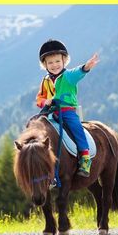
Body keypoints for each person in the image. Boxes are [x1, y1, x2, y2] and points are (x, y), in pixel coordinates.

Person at [36, 39, 99, 177]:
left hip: (66, 111)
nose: (54, 65)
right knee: (34, 126)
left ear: (64, 60)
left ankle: (85, 157)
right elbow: (39, 98)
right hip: (49, 113)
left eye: (57, 61)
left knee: (76, 128)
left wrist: (86, 66)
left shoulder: (68, 76)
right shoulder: (45, 80)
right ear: (45, 64)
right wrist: (44, 102)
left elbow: (78, 72)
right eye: (50, 62)